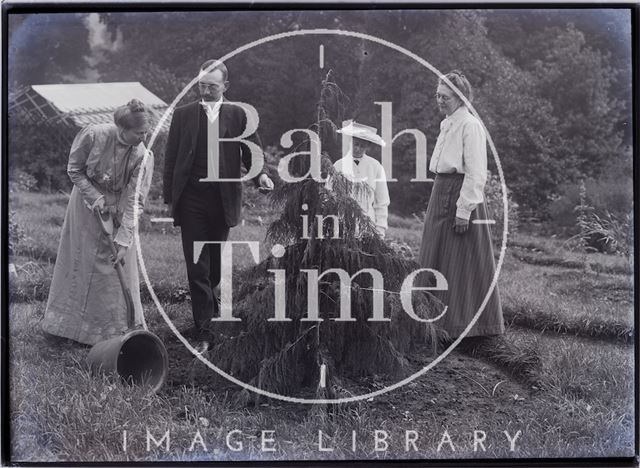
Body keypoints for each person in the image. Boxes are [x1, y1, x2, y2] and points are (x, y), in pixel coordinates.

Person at [163, 59, 274, 335]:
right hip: (191, 198)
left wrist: (261, 175)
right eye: (201, 85)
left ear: (225, 85)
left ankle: (213, 313)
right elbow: (171, 157)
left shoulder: (238, 115)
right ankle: (205, 328)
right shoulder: (183, 114)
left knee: (214, 262)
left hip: (222, 199)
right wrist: (170, 196)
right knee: (196, 264)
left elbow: (253, 152)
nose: (205, 91)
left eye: (211, 86)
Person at [41, 99, 154, 345]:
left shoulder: (142, 155)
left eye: (146, 132)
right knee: (80, 262)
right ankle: (68, 329)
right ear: (122, 128)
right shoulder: (93, 135)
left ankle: (110, 334)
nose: (143, 137)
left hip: (120, 208)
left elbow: (135, 199)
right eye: (139, 132)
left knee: (113, 268)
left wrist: (124, 240)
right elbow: (74, 170)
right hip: (84, 203)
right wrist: (95, 197)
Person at [418, 70, 504, 339]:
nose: (440, 100)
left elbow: (477, 172)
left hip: (460, 195)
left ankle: (463, 328)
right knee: (435, 253)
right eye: (438, 95)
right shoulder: (448, 123)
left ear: (461, 98)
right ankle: (430, 323)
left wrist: (464, 210)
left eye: (446, 96)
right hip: (441, 190)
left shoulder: (470, 125)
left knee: (459, 261)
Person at [332, 120, 390, 238]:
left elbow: (382, 202)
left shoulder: (375, 166)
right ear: (350, 141)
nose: (358, 148)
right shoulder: (338, 165)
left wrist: (380, 230)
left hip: (369, 228)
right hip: (342, 227)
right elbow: (330, 196)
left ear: (367, 146)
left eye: (362, 145)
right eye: (356, 144)